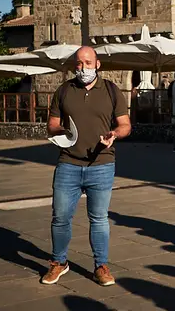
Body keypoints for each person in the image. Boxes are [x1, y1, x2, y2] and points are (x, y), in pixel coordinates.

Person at [42, 46, 131, 287]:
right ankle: (59, 262)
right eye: (79, 63)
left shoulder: (112, 91)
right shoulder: (64, 90)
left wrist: (115, 134)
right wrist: (61, 131)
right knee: (60, 217)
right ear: (75, 66)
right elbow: (51, 125)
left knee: (99, 218)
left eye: (88, 63)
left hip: (102, 165)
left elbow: (125, 125)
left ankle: (101, 266)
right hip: (68, 164)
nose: (84, 68)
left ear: (97, 64)